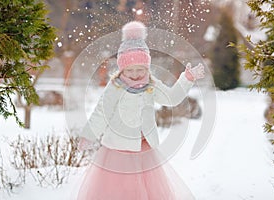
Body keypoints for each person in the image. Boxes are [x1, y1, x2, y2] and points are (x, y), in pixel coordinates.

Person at [77, 21, 205, 200]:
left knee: (144, 190)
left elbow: (171, 98)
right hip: (117, 150)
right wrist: (88, 135)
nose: (136, 74)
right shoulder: (115, 87)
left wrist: (187, 79)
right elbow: (102, 112)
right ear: (122, 68)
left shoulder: (150, 85)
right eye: (130, 69)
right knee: (118, 190)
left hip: (144, 149)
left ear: (148, 67)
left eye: (140, 69)